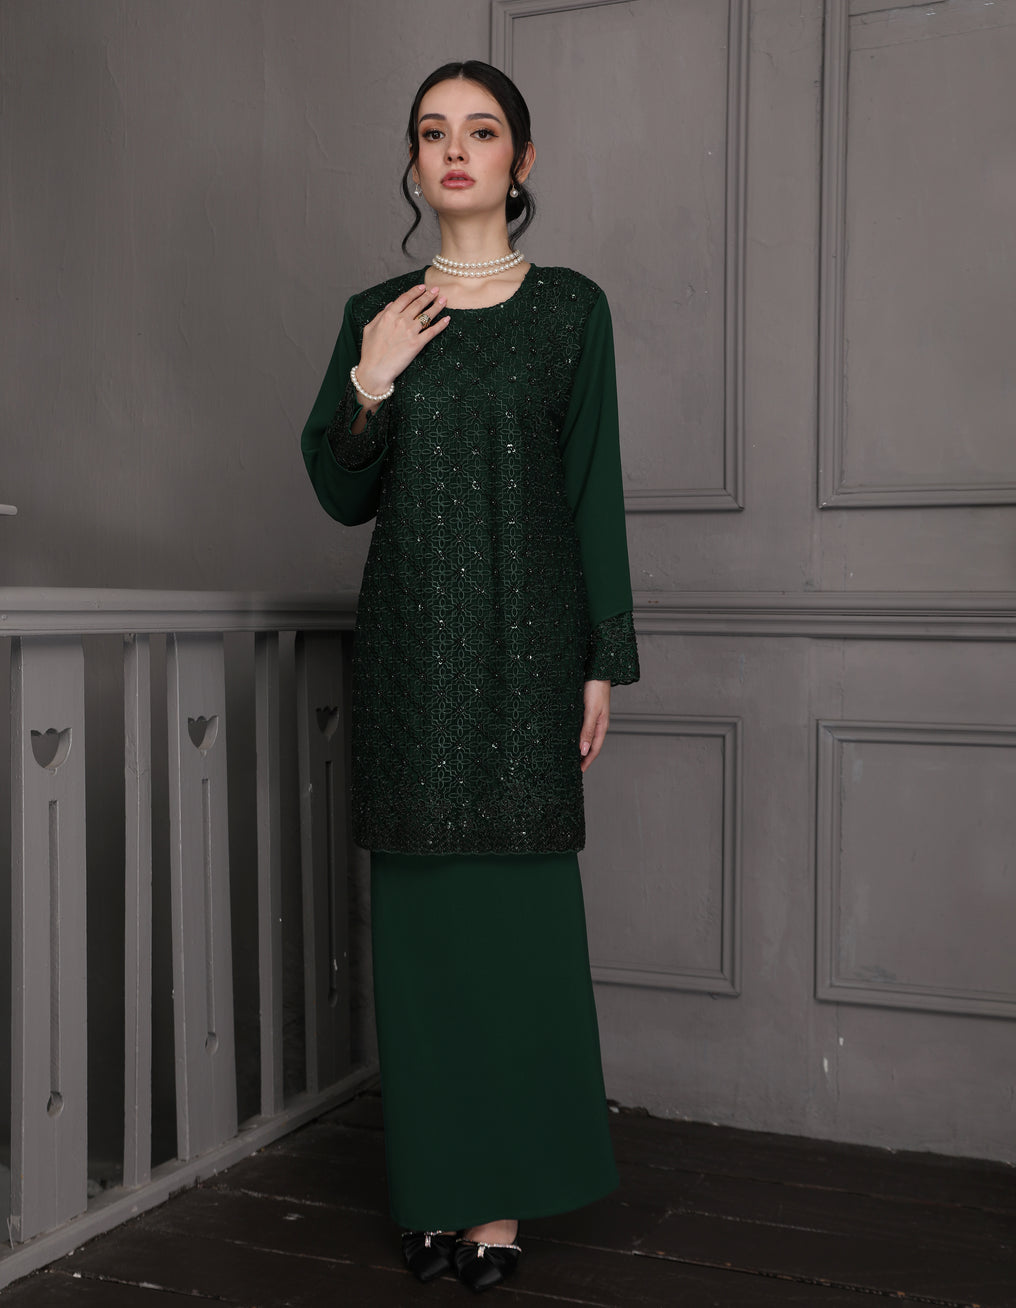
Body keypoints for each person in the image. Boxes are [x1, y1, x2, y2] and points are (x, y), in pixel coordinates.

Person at [300, 59, 639, 1295]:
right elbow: (339, 492)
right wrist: (370, 378)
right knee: (427, 945)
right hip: (410, 657)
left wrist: (602, 660)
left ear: (520, 160)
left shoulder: (574, 311)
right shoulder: (373, 312)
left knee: (519, 943)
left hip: (532, 651)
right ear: (413, 160)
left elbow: (593, 490)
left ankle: (497, 1211)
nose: (455, 150)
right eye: (433, 132)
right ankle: (432, 1194)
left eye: (481, 131)